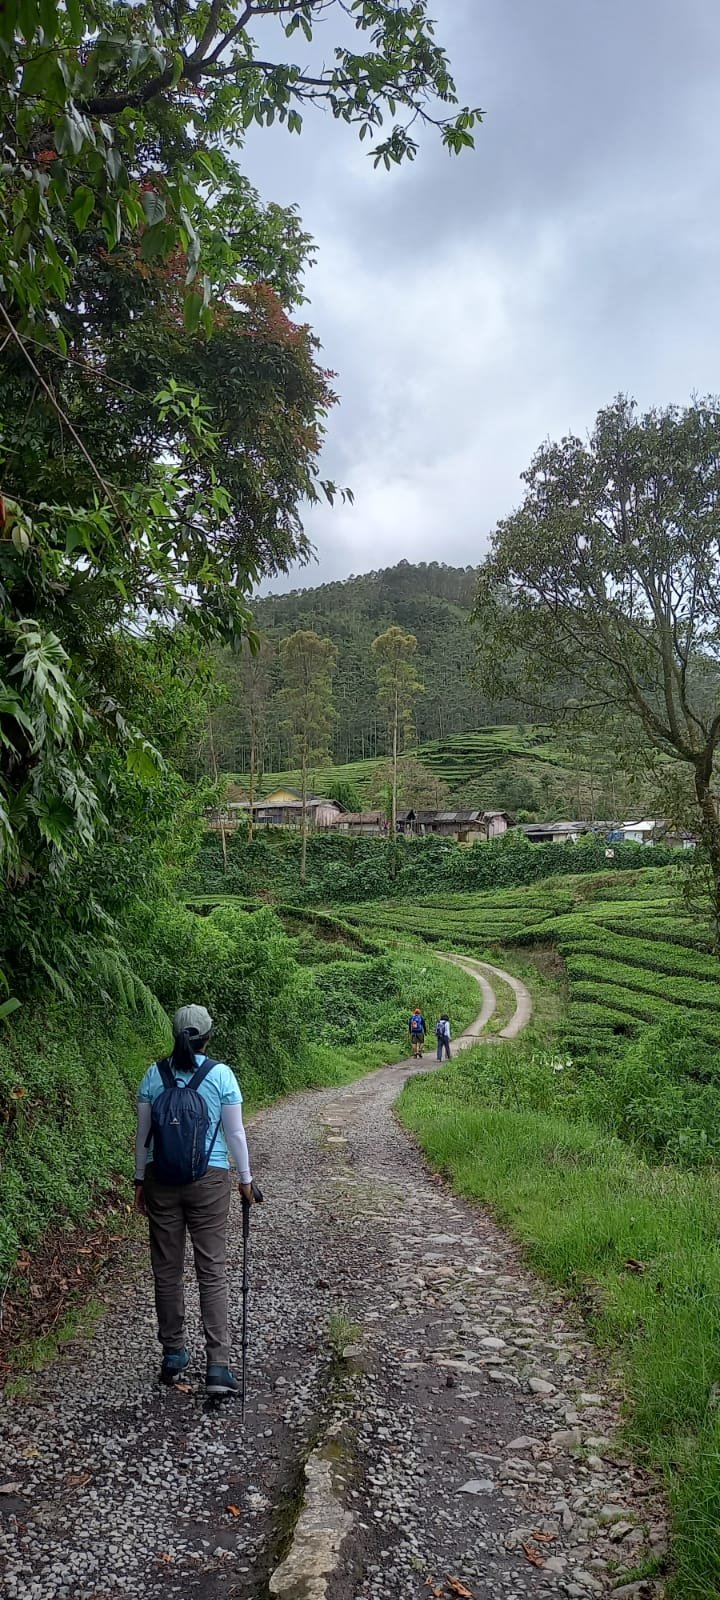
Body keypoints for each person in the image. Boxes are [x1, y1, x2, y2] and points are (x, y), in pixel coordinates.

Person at [134, 1004, 254, 1396]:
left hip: (160, 1180)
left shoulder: (154, 1074)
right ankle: (218, 1366)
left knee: (167, 1270)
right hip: (210, 1179)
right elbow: (235, 1135)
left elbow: (143, 1137)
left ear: (175, 1034)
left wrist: (139, 1180)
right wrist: (246, 1181)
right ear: (207, 1036)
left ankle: (173, 1354)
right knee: (212, 1270)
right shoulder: (220, 1075)